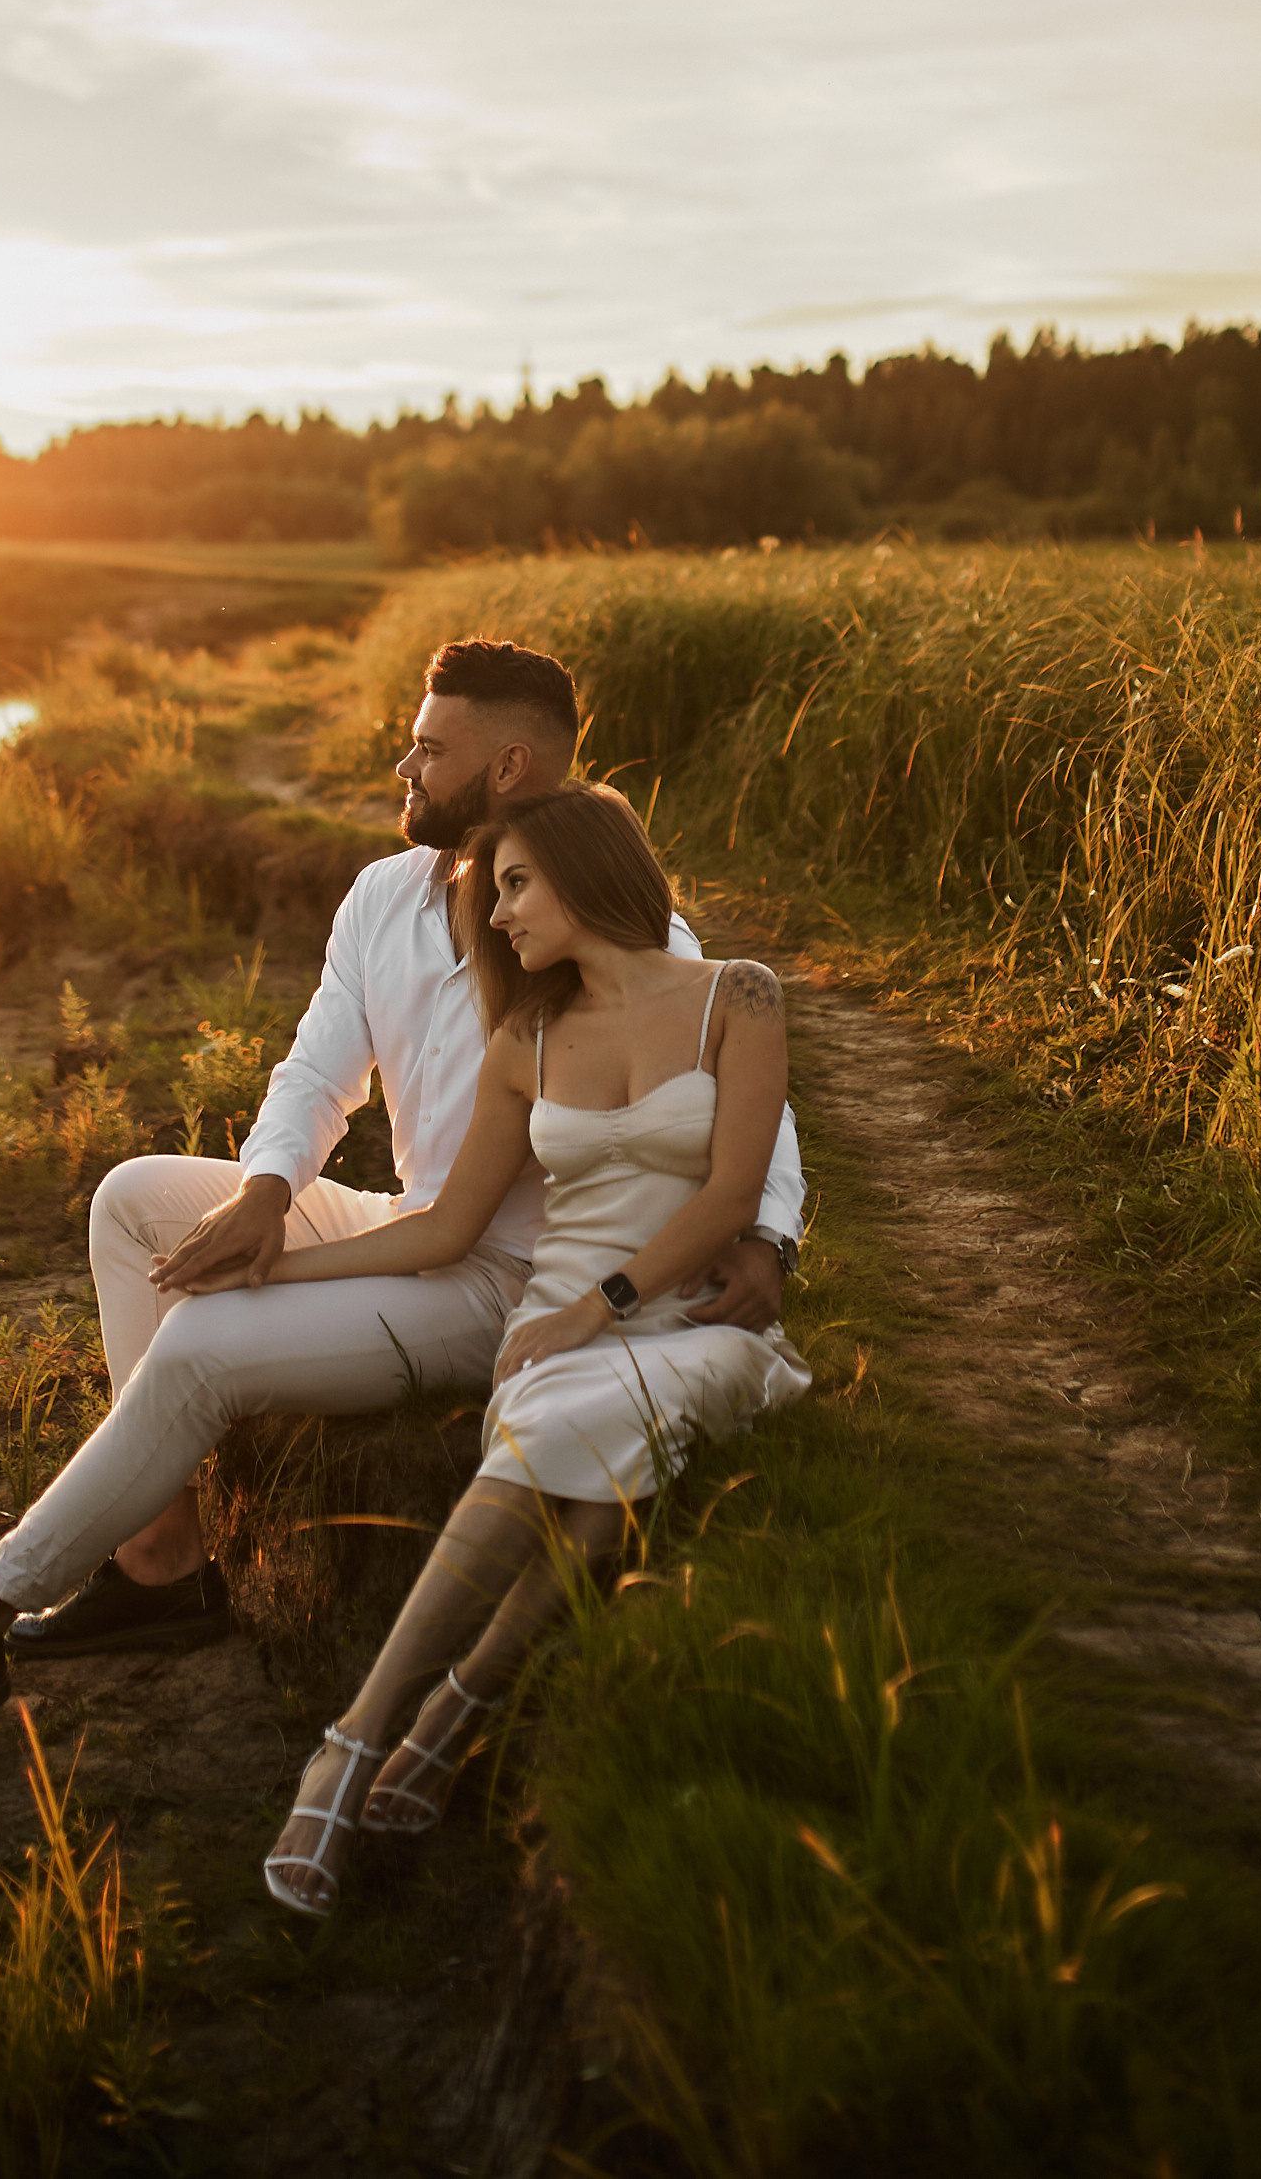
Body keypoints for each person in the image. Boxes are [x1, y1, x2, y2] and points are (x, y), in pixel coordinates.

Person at [0, 640, 804, 1775]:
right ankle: (160, 1565)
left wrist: (767, 1233)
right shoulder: (380, 895)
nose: (403, 764)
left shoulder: (608, 922)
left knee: (211, 1338)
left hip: (511, 1279)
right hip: (418, 1220)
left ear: (510, 764)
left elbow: (726, 1078)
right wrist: (270, 1193)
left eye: (429, 748)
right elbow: (318, 1070)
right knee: (134, 1201)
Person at [259, 780, 810, 1915]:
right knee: (590, 1457)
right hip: (559, 1313)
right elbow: (447, 1226)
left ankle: (364, 1738)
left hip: (673, 1309)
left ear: (586, 869)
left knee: (586, 1431)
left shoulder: (736, 998)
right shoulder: (524, 1037)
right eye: (492, 890)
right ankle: (423, 1721)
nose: (498, 914)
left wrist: (597, 1307)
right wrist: (274, 1261)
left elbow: (728, 1196)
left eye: (514, 884)